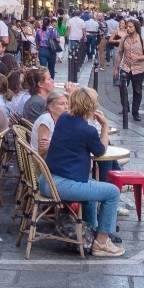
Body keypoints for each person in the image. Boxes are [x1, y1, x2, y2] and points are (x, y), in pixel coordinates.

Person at [41, 87, 124, 257]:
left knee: (92, 186)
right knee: (113, 192)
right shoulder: (88, 131)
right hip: (61, 184)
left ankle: (91, 232)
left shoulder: (64, 118)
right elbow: (100, 150)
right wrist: (105, 126)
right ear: (91, 107)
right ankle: (101, 242)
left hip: (46, 180)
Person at [115, 18, 144, 122]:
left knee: (137, 91)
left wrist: (139, 58)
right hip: (125, 67)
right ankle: (125, 107)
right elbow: (119, 53)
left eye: (131, 26)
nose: (128, 28)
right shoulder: (124, 39)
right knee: (122, 87)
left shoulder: (142, 40)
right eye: (127, 26)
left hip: (138, 69)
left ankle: (135, 112)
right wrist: (116, 68)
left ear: (136, 28)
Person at [33, 89, 70, 156]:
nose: (66, 107)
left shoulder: (59, 120)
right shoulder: (46, 120)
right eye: (61, 104)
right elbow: (41, 150)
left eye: (67, 103)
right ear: (50, 107)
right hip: (43, 163)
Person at [66, 9, 87, 82]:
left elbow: (68, 29)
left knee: (72, 52)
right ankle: (77, 65)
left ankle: (72, 64)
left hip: (72, 38)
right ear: (79, 14)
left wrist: (67, 37)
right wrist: (85, 37)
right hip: (79, 38)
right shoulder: (82, 21)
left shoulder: (70, 20)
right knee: (79, 52)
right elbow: (84, 30)